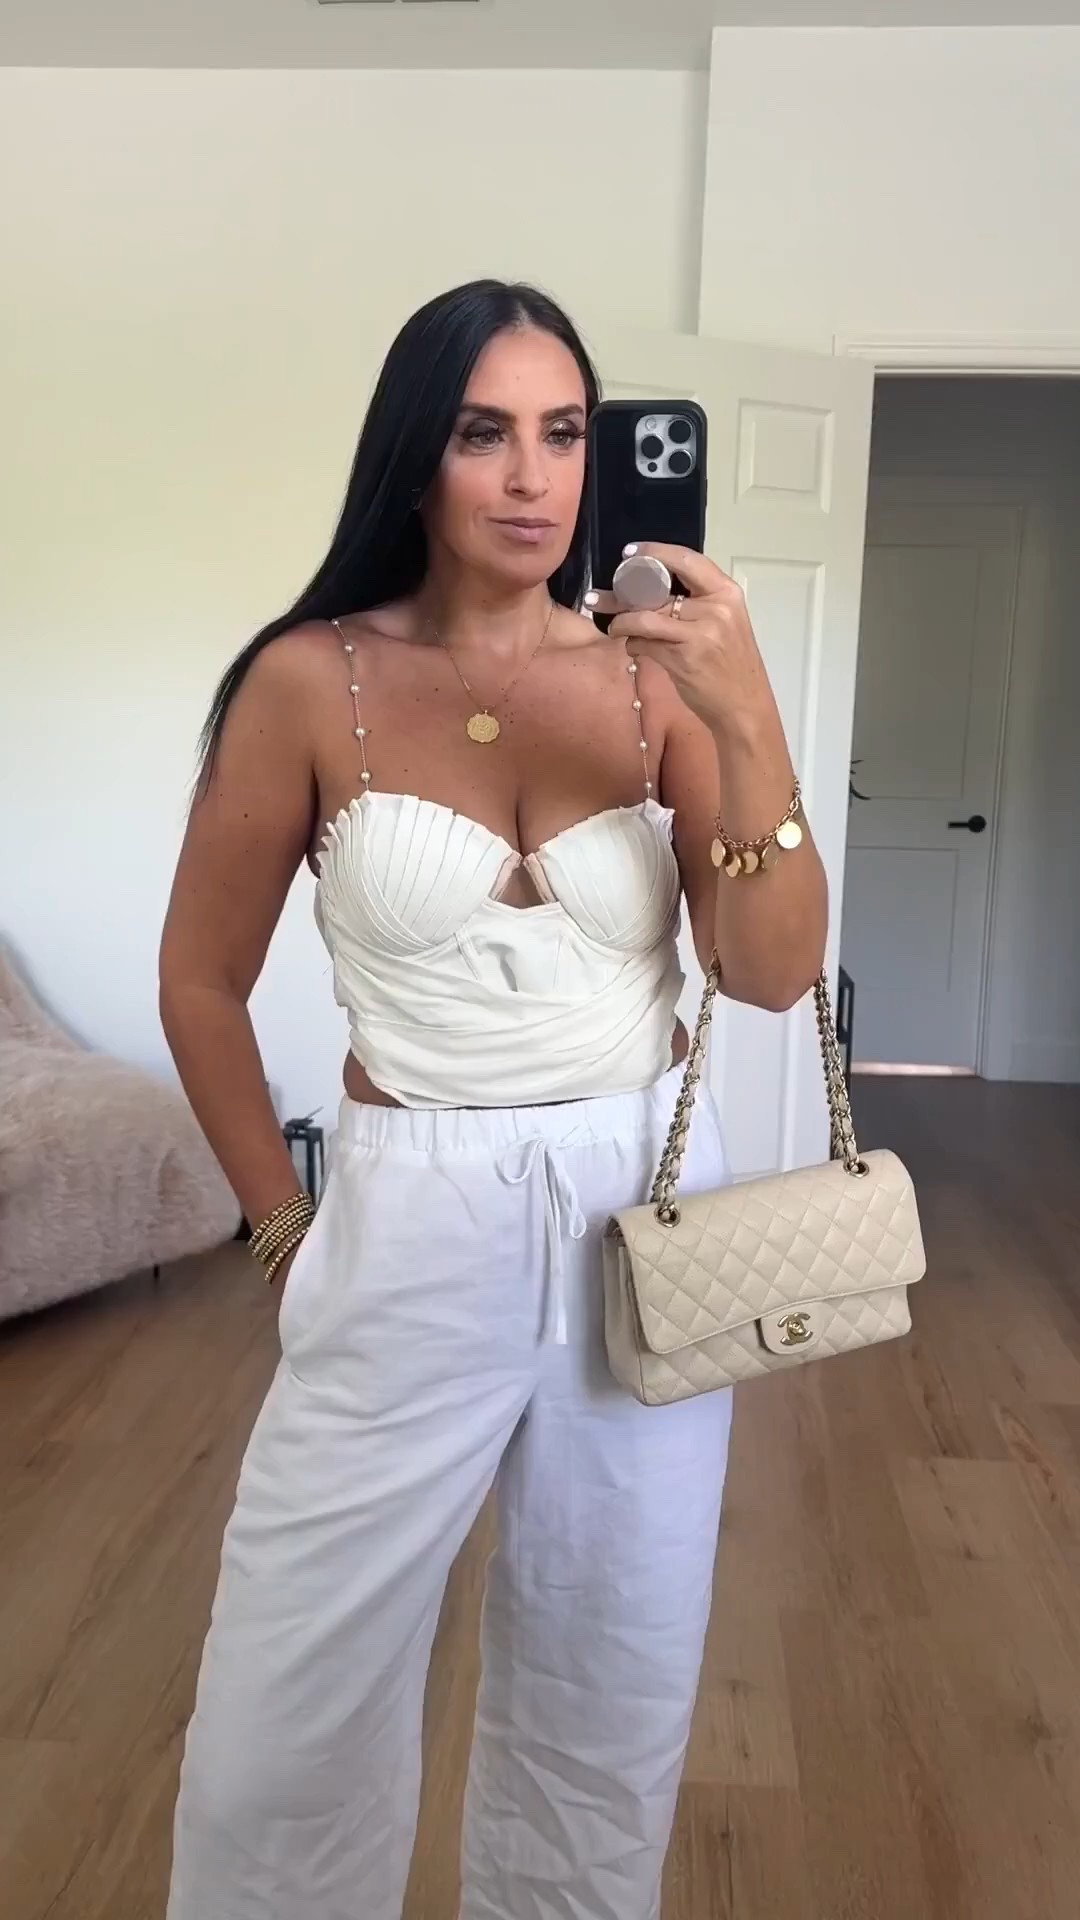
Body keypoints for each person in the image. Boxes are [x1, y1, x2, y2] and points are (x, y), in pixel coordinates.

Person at [159, 278, 827, 1920]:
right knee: (284, 1706)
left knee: (615, 1673)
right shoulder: (311, 681)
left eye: (564, 432)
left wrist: (747, 716)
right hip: (407, 1208)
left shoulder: (660, 685)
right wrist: (283, 1233)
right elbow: (201, 982)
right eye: (484, 433)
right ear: (418, 455)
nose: (534, 477)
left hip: (640, 1208)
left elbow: (766, 973)